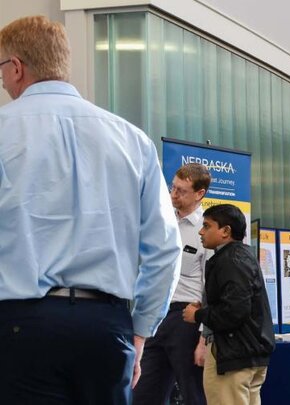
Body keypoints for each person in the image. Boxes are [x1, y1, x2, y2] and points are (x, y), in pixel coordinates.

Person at [0, 16, 182, 404]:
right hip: (106, 326)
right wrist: (140, 330)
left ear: (16, 67)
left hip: (20, 325)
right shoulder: (133, 140)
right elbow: (165, 249)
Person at [134, 163, 212, 405]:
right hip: (155, 317)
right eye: (173, 187)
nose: (173, 195)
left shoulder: (207, 230)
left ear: (200, 194)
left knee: (193, 395)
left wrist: (203, 339)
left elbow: (210, 286)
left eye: (182, 191)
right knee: (142, 393)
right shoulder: (162, 221)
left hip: (186, 319)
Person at [182, 204, 275, 405]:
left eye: (207, 226)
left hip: (234, 355)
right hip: (246, 353)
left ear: (225, 231)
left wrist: (197, 315)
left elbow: (234, 311)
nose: (200, 231)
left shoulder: (230, 260)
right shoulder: (241, 256)